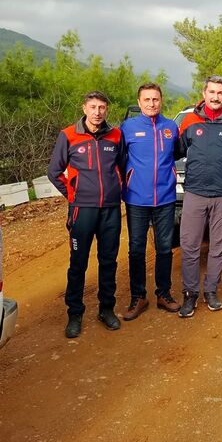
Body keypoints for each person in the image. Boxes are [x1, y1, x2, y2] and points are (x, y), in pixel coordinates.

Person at [47, 91, 125, 339]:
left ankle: (106, 309)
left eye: (102, 107)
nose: (97, 112)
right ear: (84, 108)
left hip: (110, 209)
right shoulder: (68, 135)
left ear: (107, 110)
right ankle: (75, 314)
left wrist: (119, 191)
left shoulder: (116, 135)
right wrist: (73, 195)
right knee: (78, 263)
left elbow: (123, 167)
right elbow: (54, 172)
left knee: (108, 261)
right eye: (93, 107)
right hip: (82, 210)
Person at [177, 75, 222, 318]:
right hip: (194, 192)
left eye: (220, 93)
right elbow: (177, 151)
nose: (216, 97)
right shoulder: (190, 120)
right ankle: (190, 293)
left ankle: (211, 290)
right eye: (212, 92)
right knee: (189, 246)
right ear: (204, 94)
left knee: (218, 246)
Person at [119, 83, 181, 320]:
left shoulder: (171, 127)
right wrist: (127, 181)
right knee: (136, 249)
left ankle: (164, 293)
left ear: (161, 101)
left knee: (164, 248)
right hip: (136, 198)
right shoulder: (128, 127)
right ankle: (138, 296)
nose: (151, 103)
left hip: (165, 197)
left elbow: (176, 153)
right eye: (147, 99)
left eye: (155, 99)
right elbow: (120, 159)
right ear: (139, 102)